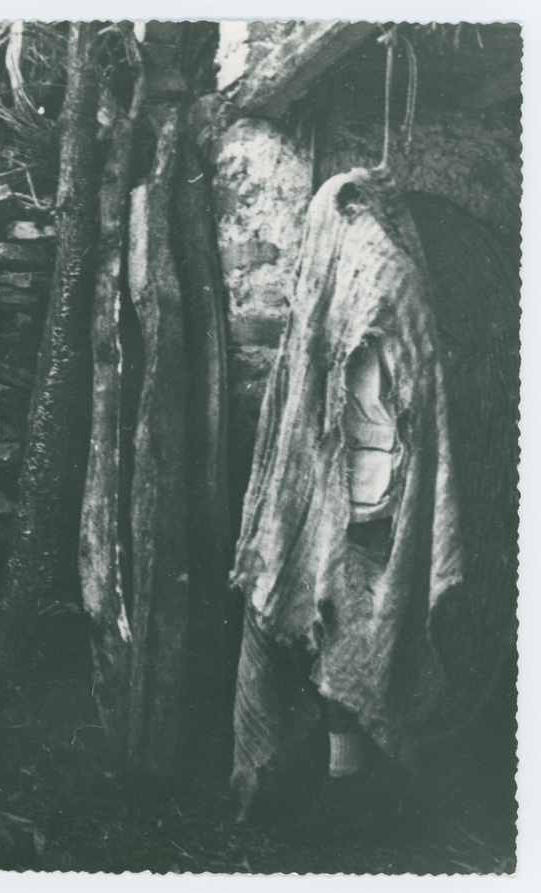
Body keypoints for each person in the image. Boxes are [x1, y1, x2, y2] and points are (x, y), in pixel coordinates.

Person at [229, 166, 465, 823]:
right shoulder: (346, 274)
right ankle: (339, 778)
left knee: (353, 633)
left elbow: (405, 396)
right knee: (332, 627)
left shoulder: (381, 277)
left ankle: (354, 784)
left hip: (372, 496)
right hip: (338, 485)